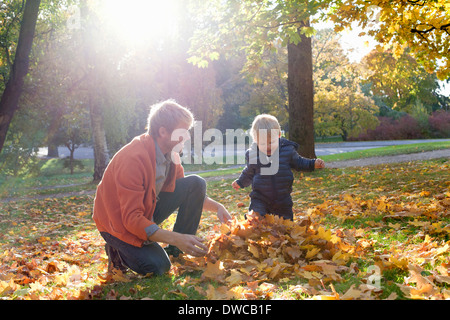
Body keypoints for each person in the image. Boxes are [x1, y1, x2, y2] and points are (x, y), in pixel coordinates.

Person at [93, 99, 232, 276]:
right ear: (163, 132)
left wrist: (218, 207)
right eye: (183, 131)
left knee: (196, 183)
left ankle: (177, 250)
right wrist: (175, 237)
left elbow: (186, 191)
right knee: (158, 267)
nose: (188, 137)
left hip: (145, 210)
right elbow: (131, 219)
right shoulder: (133, 160)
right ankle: (118, 251)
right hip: (118, 223)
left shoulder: (171, 154)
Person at [232, 114, 325, 221]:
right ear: (255, 141)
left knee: (285, 223)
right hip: (260, 197)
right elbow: (249, 172)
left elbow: (299, 162)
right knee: (256, 217)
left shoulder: (287, 150)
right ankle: (252, 221)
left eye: (271, 142)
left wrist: (312, 164)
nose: (267, 146)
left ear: (279, 136)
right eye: (262, 143)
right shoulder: (253, 154)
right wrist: (240, 182)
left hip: (282, 197)